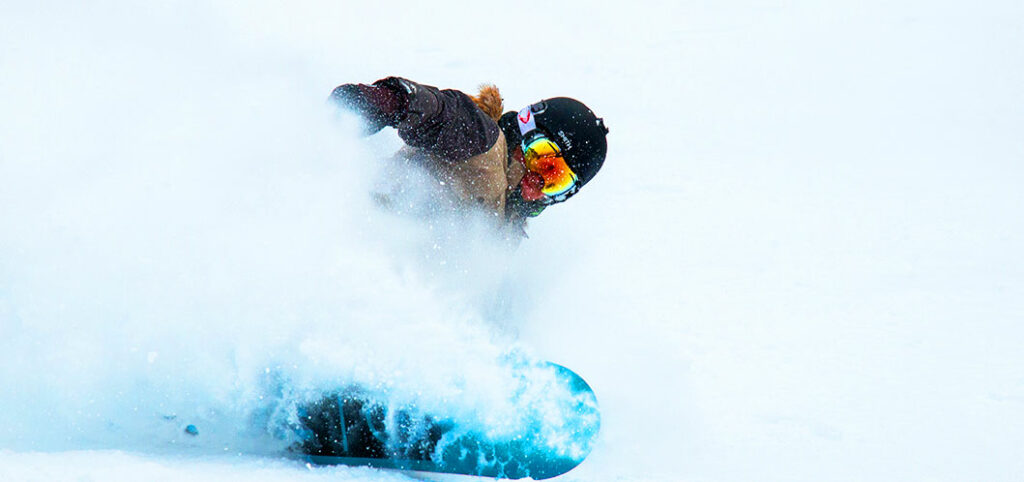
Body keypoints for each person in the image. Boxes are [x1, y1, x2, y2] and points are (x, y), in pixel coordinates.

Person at [329, 77, 608, 240]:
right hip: (360, 230)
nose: (537, 184)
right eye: (543, 160)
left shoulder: (508, 226)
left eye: (557, 181)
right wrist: (388, 102)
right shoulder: (483, 143)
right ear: (525, 129)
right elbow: (444, 114)